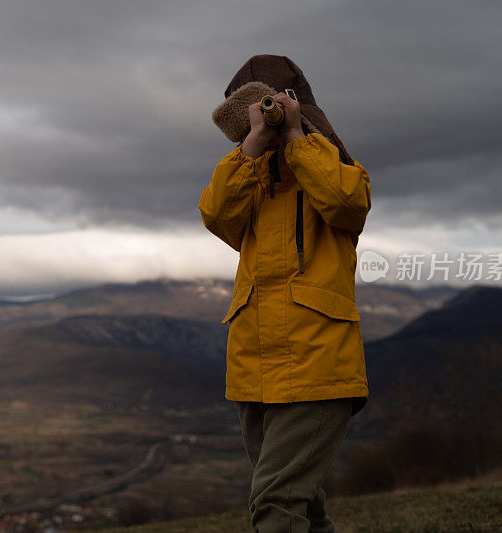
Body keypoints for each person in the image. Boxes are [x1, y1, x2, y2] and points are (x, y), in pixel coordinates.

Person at [198, 54, 372, 532]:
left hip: (318, 364)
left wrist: (298, 136)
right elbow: (216, 215)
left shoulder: (338, 172)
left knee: (276, 504)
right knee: (303, 505)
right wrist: (252, 146)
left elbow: (346, 204)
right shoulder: (249, 180)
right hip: (254, 368)